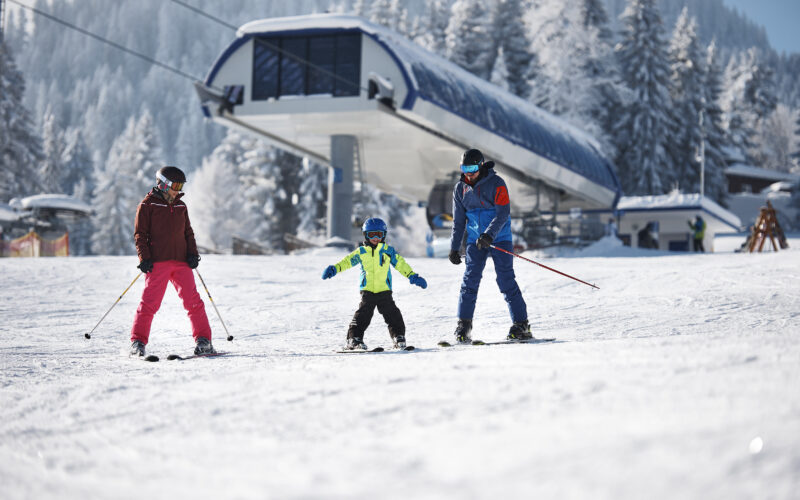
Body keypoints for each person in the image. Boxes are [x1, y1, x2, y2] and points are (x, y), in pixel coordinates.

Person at [130, 166, 213, 357]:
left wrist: (192, 254)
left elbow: (188, 232)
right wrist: (144, 258)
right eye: (176, 185)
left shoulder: (181, 206)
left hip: (182, 262)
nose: (178, 190)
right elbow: (140, 235)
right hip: (158, 262)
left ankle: (204, 341)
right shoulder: (147, 205)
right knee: (149, 304)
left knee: (194, 302)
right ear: (164, 184)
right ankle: (137, 343)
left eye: (181, 186)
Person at [448, 148, 530, 343]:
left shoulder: (497, 183)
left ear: (481, 166)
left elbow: (503, 213)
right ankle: (464, 324)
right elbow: (458, 221)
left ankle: (521, 324)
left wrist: (489, 235)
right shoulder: (460, 188)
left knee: (505, 280)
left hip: (499, 238)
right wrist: (454, 247)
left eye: (472, 169)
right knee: (470, 281)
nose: (469, 173)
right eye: (464, 169)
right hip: (475, 241)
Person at [322, 217, 427, 350]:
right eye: (372, 234)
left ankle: (398, 337)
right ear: (366, 235)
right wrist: (335, 269)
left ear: (384, 235)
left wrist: (412, 276)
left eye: (379, 234)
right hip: (368, 291)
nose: (376, 238)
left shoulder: (388, 251)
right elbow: (347, 262)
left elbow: (401, 264)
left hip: (384, 291)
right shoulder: (361, 252)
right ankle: (353, 339)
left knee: (393, 315)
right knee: (362, 316)